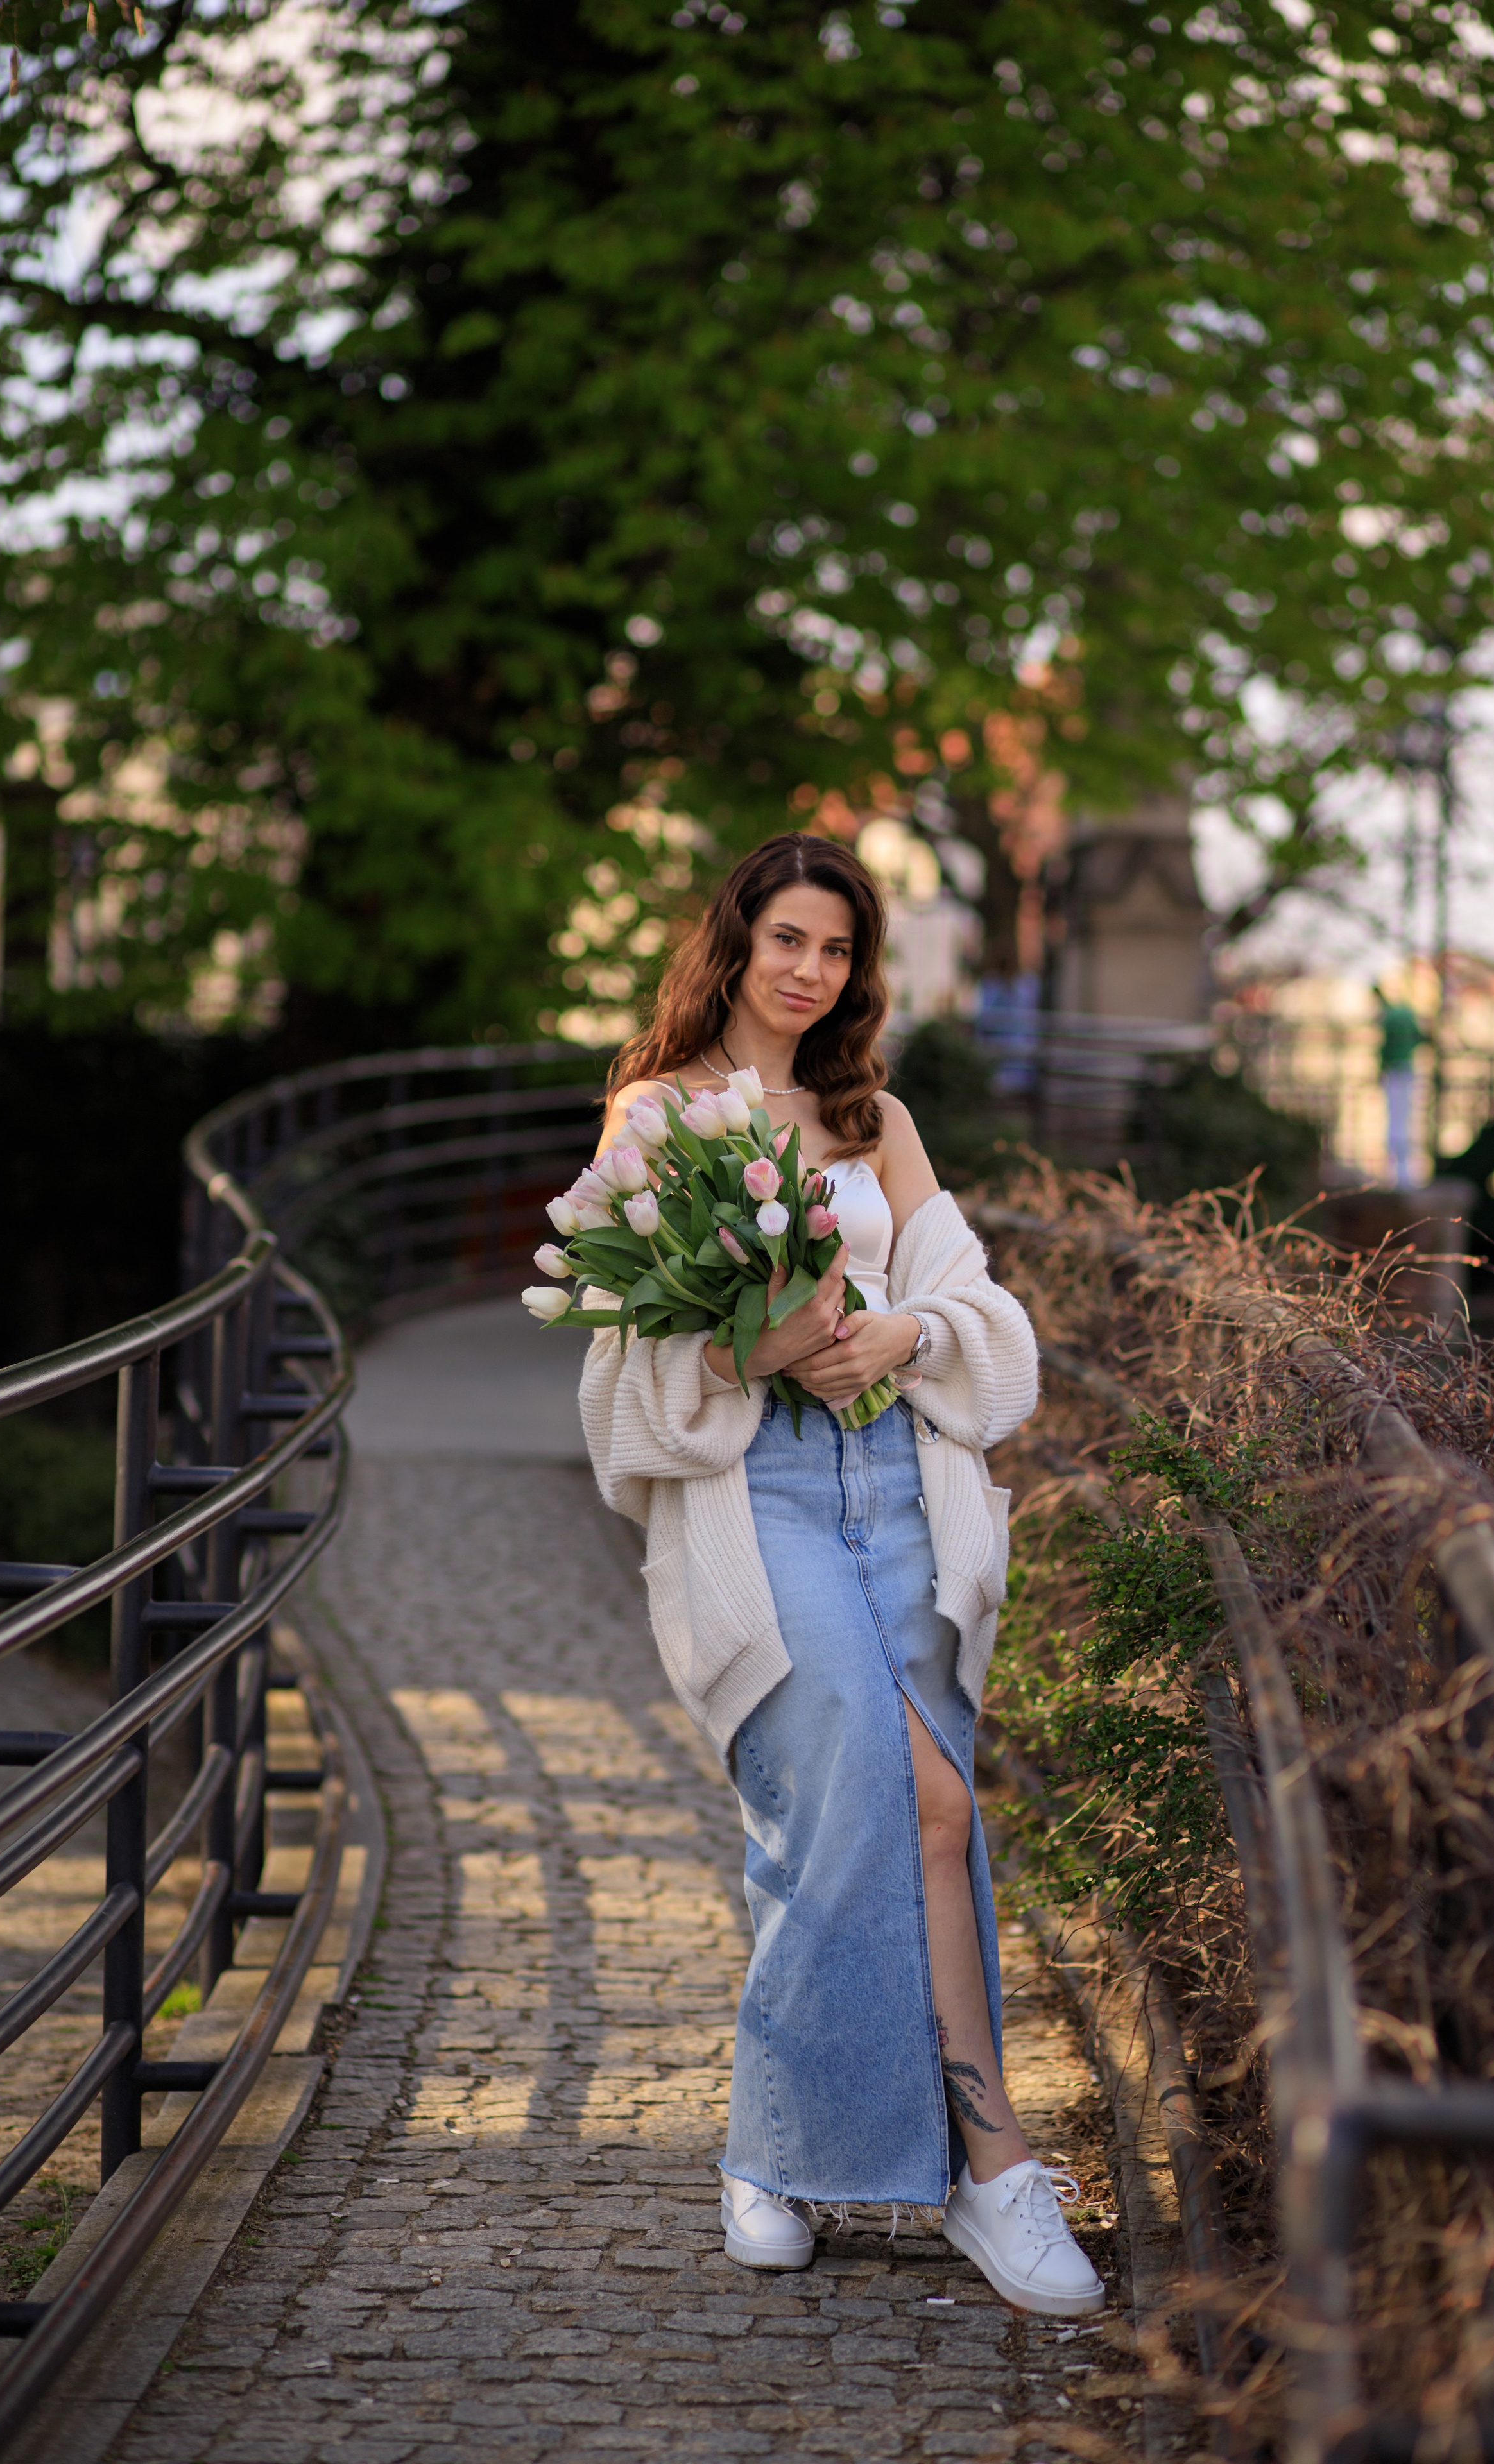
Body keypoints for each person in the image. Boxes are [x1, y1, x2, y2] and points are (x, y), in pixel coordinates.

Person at [578, 832, 1104, 2317]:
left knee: (928, 1807)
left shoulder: (875, 1118)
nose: (809, 972)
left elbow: (973, 1308)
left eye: (837, 950)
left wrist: (904, 1337)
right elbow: (628, 1378)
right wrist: (762, 1347)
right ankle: (916, 2149)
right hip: (762, 1499)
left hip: (902, 1495)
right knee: (858, 1796)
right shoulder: (660, 1113)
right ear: (733, 943)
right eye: (787, 940)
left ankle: (960, 2173)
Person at [1374, 982, 1425, 1189]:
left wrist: (1380, 1069)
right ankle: (1403, 1173)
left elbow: (1384, 1048)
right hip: (1407, 1069)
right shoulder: (1407, 1014)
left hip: (1395, 1071)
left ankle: (1397, 1173)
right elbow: (1421, 1037)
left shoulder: (1389, 1018)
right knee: (1404, 1117)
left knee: (1395, 1119)